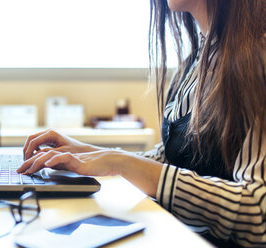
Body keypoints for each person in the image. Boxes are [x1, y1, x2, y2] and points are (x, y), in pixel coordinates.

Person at [17, 0, 266, 247]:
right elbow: (168, 158)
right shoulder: (194, 62)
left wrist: (122, 163)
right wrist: (85, 153)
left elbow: (259, 212)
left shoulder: (256, 59)